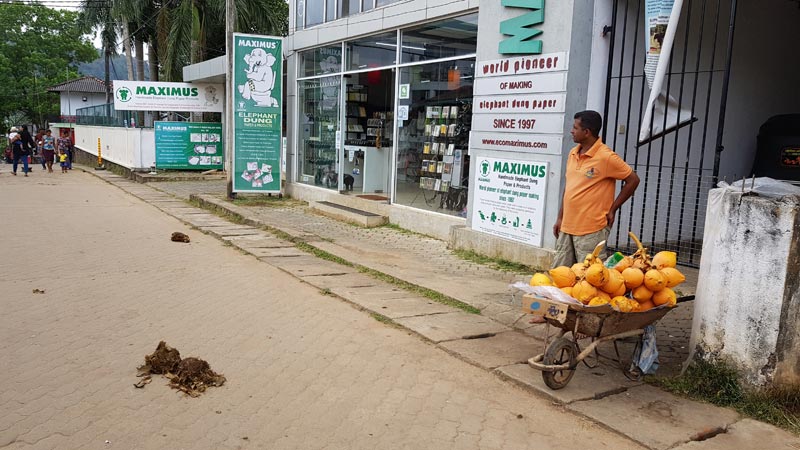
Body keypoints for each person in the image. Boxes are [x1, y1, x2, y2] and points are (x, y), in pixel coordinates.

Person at [552, 110, 640, 268]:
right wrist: (560, 217)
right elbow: (569, 187)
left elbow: (633, 180)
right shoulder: (573, 153)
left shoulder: (606, 157)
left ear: (587, 132)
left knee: (590, 277)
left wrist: (613, 209)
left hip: (591, 229)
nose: (572, 131)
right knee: (561, 274)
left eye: (575, 128)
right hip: (567, 226)